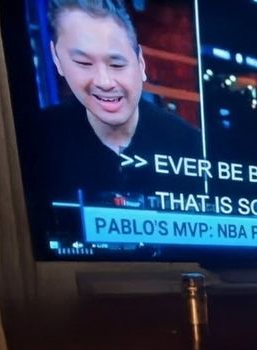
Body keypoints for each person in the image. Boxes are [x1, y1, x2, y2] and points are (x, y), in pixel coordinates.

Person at [39, 0, 201, 200]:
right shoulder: (36, 138)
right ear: (57, 60)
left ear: (140, 64)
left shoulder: (191, 146)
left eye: (116, 64)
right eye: (83, 63)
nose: (104, 82)